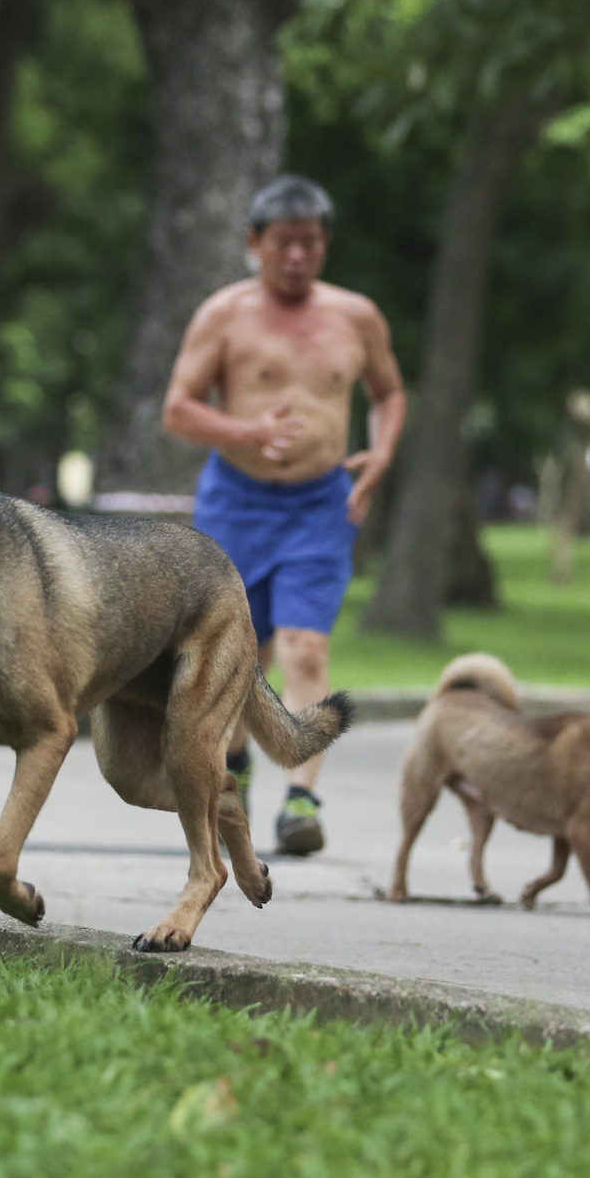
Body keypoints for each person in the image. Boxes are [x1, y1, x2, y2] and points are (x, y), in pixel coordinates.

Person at [162, 175, 405, 856]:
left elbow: (388, 392)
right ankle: (233, 773)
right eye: (283, 243)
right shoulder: (225, 314)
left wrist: (382, 451)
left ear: (325, 244)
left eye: (311, 242)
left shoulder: (356, 316)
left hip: (321, 504)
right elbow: (178, 407)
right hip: (236, 501)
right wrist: (242, 432)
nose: (297, 256)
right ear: (254, 243)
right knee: (242, 652)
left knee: (306, 647)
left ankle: (302, 796)